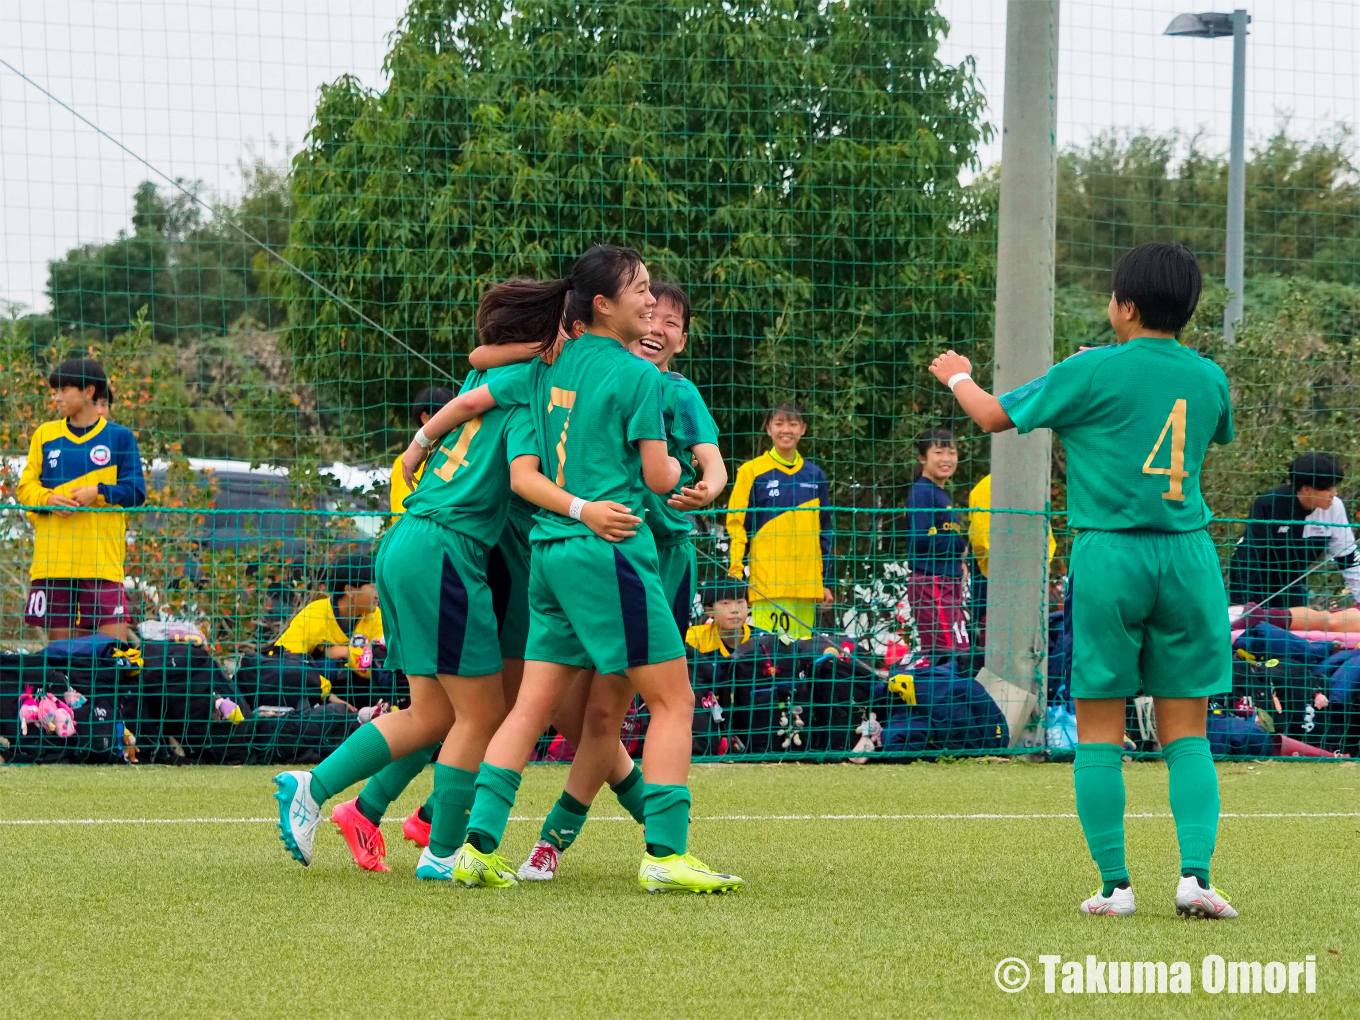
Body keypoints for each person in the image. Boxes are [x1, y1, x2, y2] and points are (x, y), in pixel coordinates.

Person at [272, 281, 638, 874]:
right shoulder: (533, 389)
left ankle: (344, 801)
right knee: (481, 714)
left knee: (434, 714)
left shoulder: (486, 375)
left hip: (409, 542)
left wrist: (418, 444)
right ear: (548, 336)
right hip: (447, 548)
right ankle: (434, 848)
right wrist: (584, 509)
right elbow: (525, 477)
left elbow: (479, 360)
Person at [929, 241, 1238, 920]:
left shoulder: (1090, 370)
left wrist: (957, 376)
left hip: (1111, 556)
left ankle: (1115, 887)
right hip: (1188, 558)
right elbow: (1212, 434)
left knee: (1100, 726)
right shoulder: (1209, 376)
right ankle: (1195, 877)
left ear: (1124, 306)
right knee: (1188, 733)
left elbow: (992, 415)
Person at [440, 244, 741, 893]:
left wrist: (418, 443)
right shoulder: (640, 378)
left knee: (530, 709)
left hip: (550, 553)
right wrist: (683, 476)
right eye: (641, 289)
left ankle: (476, 847)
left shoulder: (550, 360)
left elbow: (483, 372)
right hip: (611, 552)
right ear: (604, 304)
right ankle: (665, 854)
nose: (651, 302)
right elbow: (658, 475)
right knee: (674, 701)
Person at [513, 279, 727, 882]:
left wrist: (708, 487)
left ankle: (552, 843)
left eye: (672, 322)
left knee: (610, 711)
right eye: (651, 313)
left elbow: (712, 462)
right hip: (600, 553)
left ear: (683, 340)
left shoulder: (677, 393)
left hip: (661, 559)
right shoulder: (591, 375)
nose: (658, 327)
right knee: (583, 711)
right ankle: (656, 845)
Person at [18, 357, 146, 643]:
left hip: (101, 562)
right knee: (60, 654)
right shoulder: (45, 434)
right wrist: (48, 499)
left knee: (111, 651)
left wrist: (98, 492)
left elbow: (136, 491)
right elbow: (25, 488)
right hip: (55, 562)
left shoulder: (120, 438)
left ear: (89, 392)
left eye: (64, 390)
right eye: (55, 391)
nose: (57, 398)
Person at [726, 402, 831, 639]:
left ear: (803, 429)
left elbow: (825, 531)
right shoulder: (751, 471)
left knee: (803, 654)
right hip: (767, 587)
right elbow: (737, 527)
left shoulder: (815, 475)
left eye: (793, 424)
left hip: (807, 588)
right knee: (771, 654)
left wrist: (826, 582)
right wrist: (735, 574)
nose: (786, 430)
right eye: (779, 423)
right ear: (768, 429)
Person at [1228, 453, 1360, 618]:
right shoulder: (1269, 503)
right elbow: (1249, 558)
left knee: (1295, 628)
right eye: (1328, 488)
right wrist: (1245, 606)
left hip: (1292, 581)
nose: (1334, 493)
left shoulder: (1336, 508)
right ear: (1306, 489)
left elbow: (1349, 559)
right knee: (1254, 627)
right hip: (1254, 579)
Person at [272, 553, 384, 708]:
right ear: (350, 590)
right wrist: (329, 696)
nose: (378, 594)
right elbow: (285, 660)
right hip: (318, 694)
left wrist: (346, 652)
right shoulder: (315, 614)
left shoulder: (375, 616)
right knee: (327, 666)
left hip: (362, 690)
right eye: (373, 587)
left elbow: (380, 664)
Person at [897, 427, 969, 658]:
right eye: (938, 452)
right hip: (931, 583)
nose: (946, 459)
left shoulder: (942, 494)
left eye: (952, 453)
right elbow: (920, 539)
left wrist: (960, 560)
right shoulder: (921, 493)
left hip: (948, 582)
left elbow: (943, 536)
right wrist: (959, 546)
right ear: (922, 458)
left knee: (961, 651)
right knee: (949, 655)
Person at [966, 472, 1057, 644]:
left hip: (1026, 591)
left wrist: (1037, 569)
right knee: (997, 647)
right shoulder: (987, 488)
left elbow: (1047, 539)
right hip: (995, 592)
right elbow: (982, 542)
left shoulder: (1033, 485)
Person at [389, 386, 454, 514]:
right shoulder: (409, 461)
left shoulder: (402, 459)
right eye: (449, 414)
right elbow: (404, 509)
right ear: (425, 418)